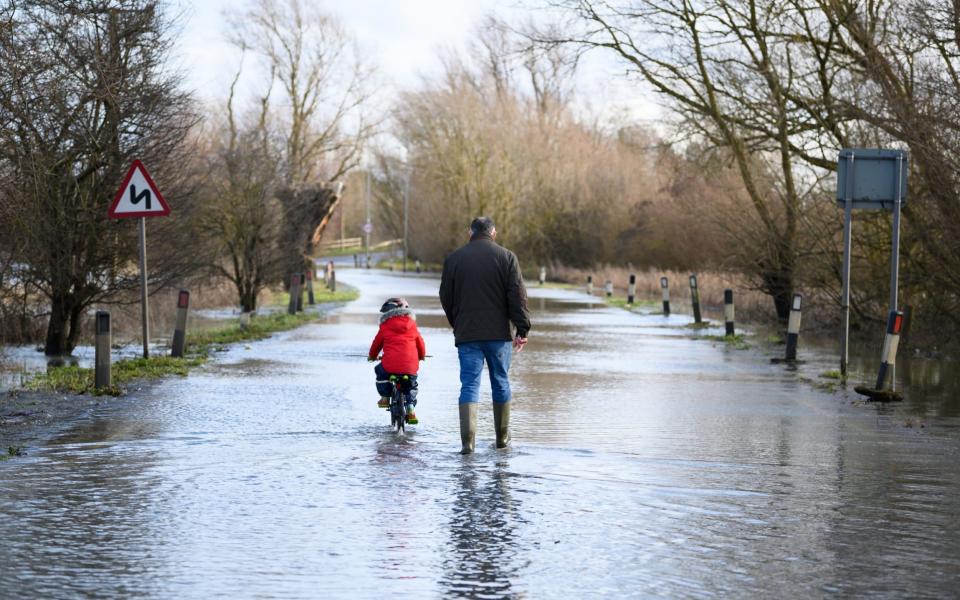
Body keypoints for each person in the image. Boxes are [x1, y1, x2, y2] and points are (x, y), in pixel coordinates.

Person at [439, 216, 531, 453]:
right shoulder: (507, 257)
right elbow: (517, 296)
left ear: (469, 233)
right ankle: (502, 439)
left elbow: (445, 298)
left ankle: (467, 444)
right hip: (499, 335)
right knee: (500, 381)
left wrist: (457, 323)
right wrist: (522, 328)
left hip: (468, 333)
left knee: (469, 384)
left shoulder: (454, 259)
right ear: (494, 233)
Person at [368, 297, 426, 424]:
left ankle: (384, 397)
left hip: (390, 366)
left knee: (379, 371)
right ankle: (410, 408)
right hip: (410, 366)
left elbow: (376, 344)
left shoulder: (385, 325)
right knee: (411, 383)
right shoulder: (412, 325)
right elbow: (420, 343)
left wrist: (372, 356)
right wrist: (421, 356)